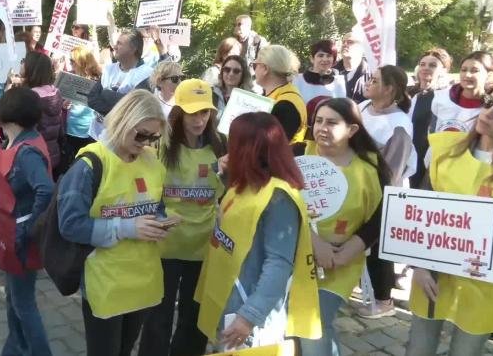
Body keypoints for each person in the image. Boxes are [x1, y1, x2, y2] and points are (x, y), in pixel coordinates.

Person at [195, 112, 320, 351]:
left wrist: (249, 316)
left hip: (248, 319)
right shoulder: (247, 183)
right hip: (229, 304)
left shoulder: (278, 198)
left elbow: (279, 263)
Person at [58, 90, 168, 356]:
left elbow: (157, 206)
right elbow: (70, 225)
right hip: (105, 281)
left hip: (142, 279)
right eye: (141, 134)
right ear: (122, 121)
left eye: (153, 137)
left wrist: (162, 222)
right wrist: (128, 228)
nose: (146, 143)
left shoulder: (152, 161)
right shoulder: (90, 165)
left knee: (125, 350)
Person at [406, 87, 493, 355]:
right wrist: (419, 265)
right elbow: (421, 213)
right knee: (419, 347)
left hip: (485, 284)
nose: (489, 112)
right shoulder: (446, 152)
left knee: (466, 351)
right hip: (432, 274)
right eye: (489, 102)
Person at [138, 80, 227, 356]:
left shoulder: (221, 143)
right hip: (165, 244)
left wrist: (231, 172)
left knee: (194, 317)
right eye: (192, 112)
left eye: (204, 112)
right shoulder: (161, 144)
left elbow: (232, 193)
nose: (199, 119)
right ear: (178, 111)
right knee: (157, 317)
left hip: (202, 246)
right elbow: (145, 189)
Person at [296, 98, 387, 356]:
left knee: (314, 320)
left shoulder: (369, 167)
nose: (322, 128)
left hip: (342, 262)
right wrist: (315, 244)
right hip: (297, 256)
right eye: (319, 121)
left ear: (352, 129)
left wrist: (351, 249)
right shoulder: (299, 153)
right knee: (307, 326)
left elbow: (380, 217)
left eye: (332, 122)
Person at [0, 87, 55, 356]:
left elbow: (46, 189)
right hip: (12, 237)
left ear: (3, 115)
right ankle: (15, 347)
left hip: (21, 240)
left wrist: (27, 228)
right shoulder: (19, 142)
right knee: (14, 299)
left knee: (23, 303)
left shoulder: (26, 151)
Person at [358, 65, 415, 319]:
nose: (368, 82)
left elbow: (392, 170)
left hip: (380, 193)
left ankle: (384, 299)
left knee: (378, 246)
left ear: (389, 89)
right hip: (357, 187)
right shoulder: (361, 109)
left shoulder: (399, 124)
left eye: (375, 80)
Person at [87, 29, 154, 140]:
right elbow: (92, 99)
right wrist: (118, 102)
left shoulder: (146, 74)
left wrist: (105, 94)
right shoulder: (109, 69)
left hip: (119, 140)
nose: (115, 46)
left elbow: (131, 108)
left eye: (120, 43)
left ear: (133, 49)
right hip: (95, 134)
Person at [408, 48, 453, 188]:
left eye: (432, 65)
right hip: (409, 159)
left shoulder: (445, 98)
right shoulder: (412, 94)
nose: (426, 68)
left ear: (444, 70)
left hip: (428, 164)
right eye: (422, 64)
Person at [252, 45, 308, 143]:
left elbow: (270, 146)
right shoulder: (283, 94)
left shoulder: (286, 105)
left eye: (255, 65)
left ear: (265, 69)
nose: (254, 70)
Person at [21, 52, 65, 172]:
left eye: (23, 61)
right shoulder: (55, 92)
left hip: (34, 157)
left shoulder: (29, 97)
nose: (21, 64)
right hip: (53, 154)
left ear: (31, 68)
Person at [431, 51, 493, 133]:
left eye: (474, 71)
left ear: (489, 75)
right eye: (463, 70)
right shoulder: (441, 97)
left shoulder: (490, 109)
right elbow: (432, 130)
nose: (467, 75)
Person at [62, 47, 102, 171]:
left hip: (89, 130)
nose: (70, 63)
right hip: (71, 128)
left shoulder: (98, 80)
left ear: (82, 62)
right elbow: (62, 100)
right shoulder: (70, 77)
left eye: (72, 60)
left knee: (88, 164)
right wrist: (64, 105)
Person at [294, 39, 347, 118]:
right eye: (320, 55)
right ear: (312, 58)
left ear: (333, 59)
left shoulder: (339, 82)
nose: (325, 59)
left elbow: (341, 112)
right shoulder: (298, 80)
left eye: (329, 56)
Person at [333, 33, 371, 103]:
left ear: (362, 48)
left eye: (350, 42)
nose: (344, 44)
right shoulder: (332, 71)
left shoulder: (372, 74)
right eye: (343, 42)